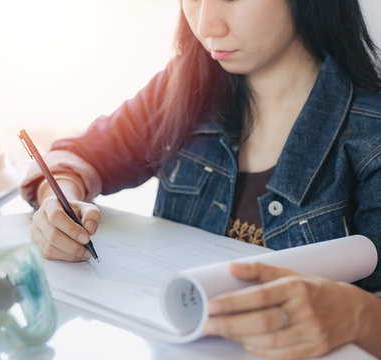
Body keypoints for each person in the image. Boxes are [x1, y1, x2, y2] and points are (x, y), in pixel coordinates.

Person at [21, 0, 381, 358]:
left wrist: (360, 316)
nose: (208, 26)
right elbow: (74, 157)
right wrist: (57, 203)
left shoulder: (371, 131)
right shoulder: (181, 89)